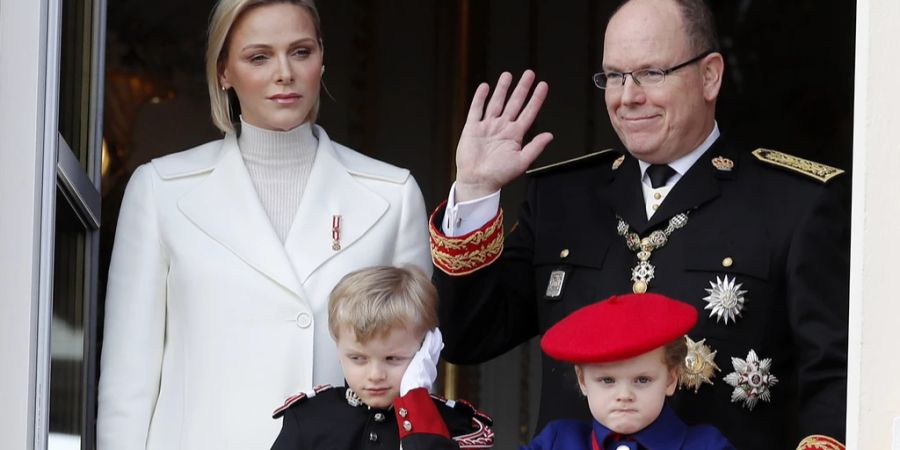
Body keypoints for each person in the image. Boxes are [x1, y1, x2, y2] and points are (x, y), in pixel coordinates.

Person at [428, 0, 848, 448]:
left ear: (710, 76)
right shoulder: (561, 198)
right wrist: (475, 190)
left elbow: (835, 376)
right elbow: (467, 337)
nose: (627, 96)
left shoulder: (795, 202)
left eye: (651, 73)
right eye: (614, 75)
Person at [96, 1, 431, 448]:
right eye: (259, 57)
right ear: (223, 71)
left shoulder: (393, 195)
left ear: (322, 59)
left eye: (300, 51)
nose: (284, 73)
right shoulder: (160, 191)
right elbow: (128, 382)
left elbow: (414, 373)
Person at [270, 266, 494, 449]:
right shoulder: (309, 417)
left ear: (426, 350)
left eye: (393, 359)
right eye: (358, 358)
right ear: (338, 349)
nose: (375, 375)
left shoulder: (458, 425)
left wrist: (415, 399)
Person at [524, 293, 733, 450]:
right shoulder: (556, 441)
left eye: (642, 380)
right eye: (607, 380)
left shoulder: (706, 445)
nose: (624, 396)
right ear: (583, 380)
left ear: (670, 379)